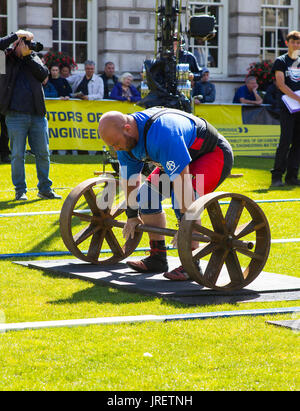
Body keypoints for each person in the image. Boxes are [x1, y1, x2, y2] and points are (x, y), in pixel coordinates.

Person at [98, 107, 233, 281]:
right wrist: (132, 216)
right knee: (146, 197)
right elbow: (130, 181)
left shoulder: (164, 133)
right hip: (177, 154)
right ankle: (158, 257)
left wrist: (186, 227)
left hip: (212, 154)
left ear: (128, 128)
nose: (117, 149)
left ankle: (191, 263)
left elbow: (183, 187)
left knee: (182, 199)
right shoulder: (124, 145)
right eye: (113, 146)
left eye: (116, 143)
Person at [0, 30, 62, 201]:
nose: (29, 46)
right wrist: (15, 36)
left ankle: (45, 189)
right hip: (15, 115)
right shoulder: (4, 59)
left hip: (37, 115)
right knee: (18, 155)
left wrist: (27, 56)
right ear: (17, 43)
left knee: (43, 153)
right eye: (25, 42)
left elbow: (43, 75)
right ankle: (20, 191)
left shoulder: (33, 58)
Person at [270, 30, 300, 187]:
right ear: (287, 43)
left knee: (298, 142)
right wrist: (298, 98)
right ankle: (276, 176)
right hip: (288, 107)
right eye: (293, 42)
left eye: (298, 42)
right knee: (285, 140)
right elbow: (281, 84)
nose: (296, 45)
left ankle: (292, 176)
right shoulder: (281, 61)